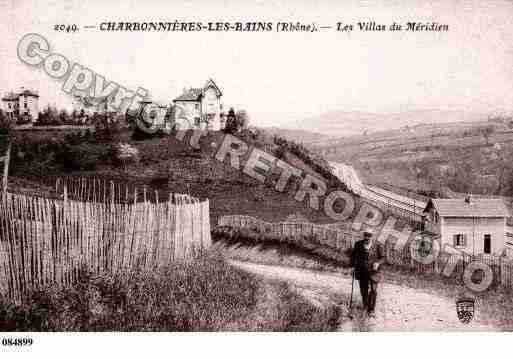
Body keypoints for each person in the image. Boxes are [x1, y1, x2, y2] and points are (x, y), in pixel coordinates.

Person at [350, 231, 385, 317]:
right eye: (366, 235)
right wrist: (352, 267)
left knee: (373, 290)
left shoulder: (378, 245)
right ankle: (365, 306)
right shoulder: (358, 244)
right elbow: (353, 256)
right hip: (362, 271)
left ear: (373, 236)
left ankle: (371, 310)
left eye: (369, 236)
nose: (367, 238)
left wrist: (377, 263)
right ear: (364, 235)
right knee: (363, 290)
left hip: (374, 272)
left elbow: (383, 257)